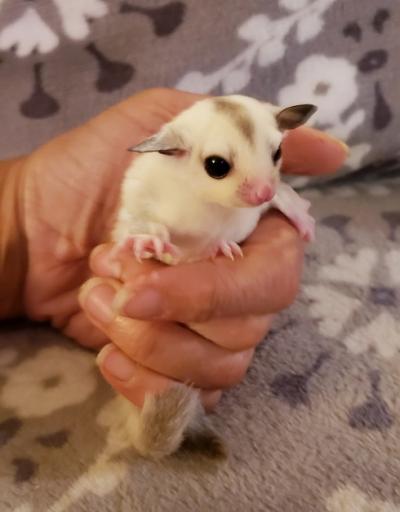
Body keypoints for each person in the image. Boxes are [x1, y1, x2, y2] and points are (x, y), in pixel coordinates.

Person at [0, 88, 347, 410]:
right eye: (219, 166)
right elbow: (135, 211)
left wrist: (289, 206)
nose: (262, 190)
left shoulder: (254, 169)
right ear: (173, 151)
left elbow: (270, 192)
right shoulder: (154, 171)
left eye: (274, 154)